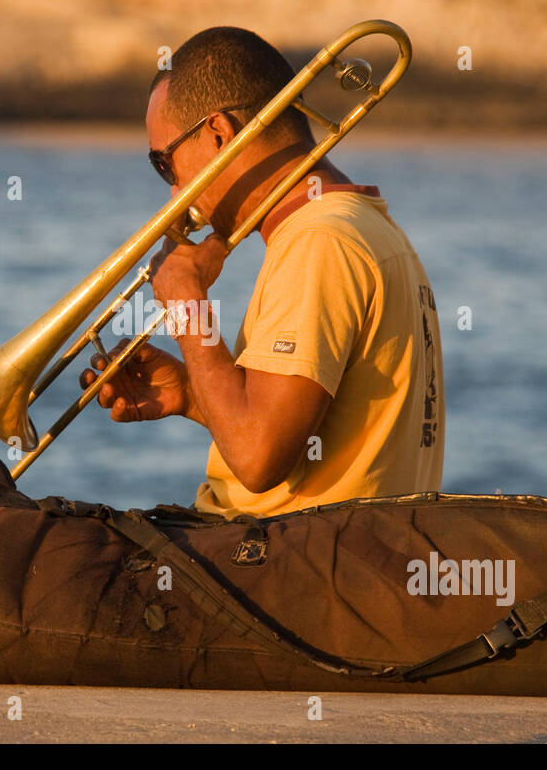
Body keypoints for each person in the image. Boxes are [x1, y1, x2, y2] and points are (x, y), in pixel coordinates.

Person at [79, 26, 444, 519]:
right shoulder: (362, 224)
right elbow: (298, 428)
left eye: (165, 163)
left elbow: (257, 458)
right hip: (326, 557)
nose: (173, 193)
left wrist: (188, 305)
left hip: (281, 571)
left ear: (219, 134)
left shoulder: (319, 240)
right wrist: (192, 394)